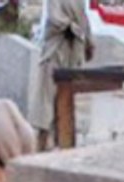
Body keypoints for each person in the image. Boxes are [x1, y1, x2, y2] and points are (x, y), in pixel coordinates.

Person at [32, 0, 94, 149]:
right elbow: (55, 19)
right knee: (46, 101)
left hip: (72, 52)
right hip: (54, 51)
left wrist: (88, 42)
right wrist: (75, 29)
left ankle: (62, 142)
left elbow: (84, 18)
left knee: (66, 98)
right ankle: (42, 142)